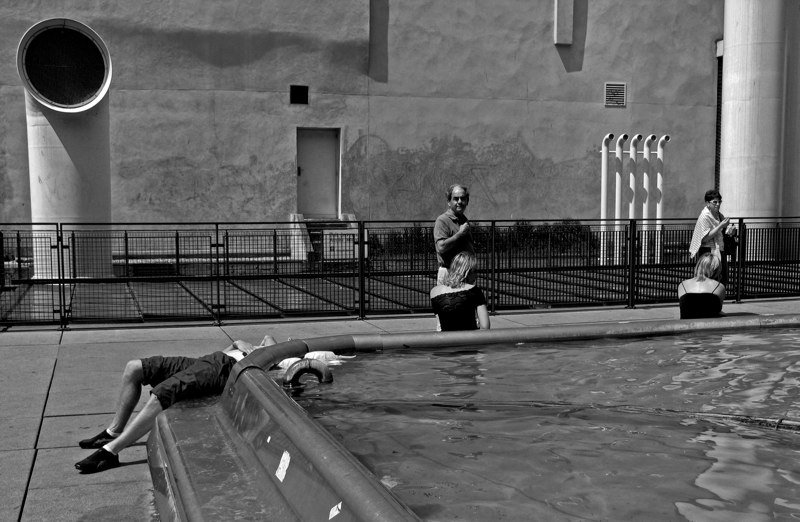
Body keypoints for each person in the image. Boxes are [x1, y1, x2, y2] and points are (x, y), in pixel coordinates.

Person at [74, 334, 278, 473]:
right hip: (211, 359)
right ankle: (113, 431)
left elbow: (272, 346)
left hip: (226, 369)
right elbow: (269, 337)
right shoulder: (275, 347)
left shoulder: (288, 358)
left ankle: (111, 451)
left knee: (165, 392)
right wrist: (237, 343)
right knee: (134, 367)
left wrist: (251, 346)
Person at [430, 251, 490, 331]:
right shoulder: (474, 291)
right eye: (475, 271)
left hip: (446, 341)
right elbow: (485, 326)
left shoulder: (434, 292)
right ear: (467, 272)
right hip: (469, 339)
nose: (477, 275)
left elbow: (440, 324)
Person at [688, 189, 736, 285]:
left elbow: (722, 230)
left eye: (719, 202)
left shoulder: (718, 214)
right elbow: (705, 238)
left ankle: (718, 298)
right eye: (715, 202)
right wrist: (721, 226)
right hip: (708, 251)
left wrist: (730, 230)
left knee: (722, 279)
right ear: (707, 203)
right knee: (710, 279)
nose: (718, 204)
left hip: (719, 249)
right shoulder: (704, 216)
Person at [433, 184, 475, 284]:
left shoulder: (464, 220)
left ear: (467, 201)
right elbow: (441, 247)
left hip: (466, 274)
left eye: (463, 198)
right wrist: (459, 234)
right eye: (456, 199)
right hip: (449, 273)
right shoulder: (442, 220)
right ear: (449, 202)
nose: (460, 202)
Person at [678, 252, 725, 319]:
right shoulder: (719, 287)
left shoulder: (682, 285)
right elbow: (718, 310)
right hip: (710, 325)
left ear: (698, 265)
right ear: (716, 269)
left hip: (687, 326)